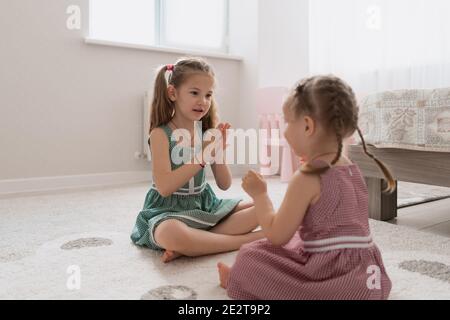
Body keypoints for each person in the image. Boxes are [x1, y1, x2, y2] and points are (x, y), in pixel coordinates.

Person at [217, 75, 393, 300]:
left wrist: (260, 195)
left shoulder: (307, 177)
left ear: (308, 126)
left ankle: (237, 279)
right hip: (367, 279)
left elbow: (276, 235)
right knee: (296, 242)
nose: (285, 130)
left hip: (332, 279)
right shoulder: (352, 169)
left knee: (251, 255)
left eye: (288, 122)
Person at [131, 57, 263, 263]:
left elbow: (225, 184)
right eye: (194, 93)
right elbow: (165, 187)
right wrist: (202, 157)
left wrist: (218, 150)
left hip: (204, 207)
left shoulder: (207, 134)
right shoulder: (160, 134)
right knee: (171, 233)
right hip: (169, 211)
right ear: (173, 93)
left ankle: (196, 244)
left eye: (208, 95)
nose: (203, 101)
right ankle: (251, 239)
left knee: (263, 206)